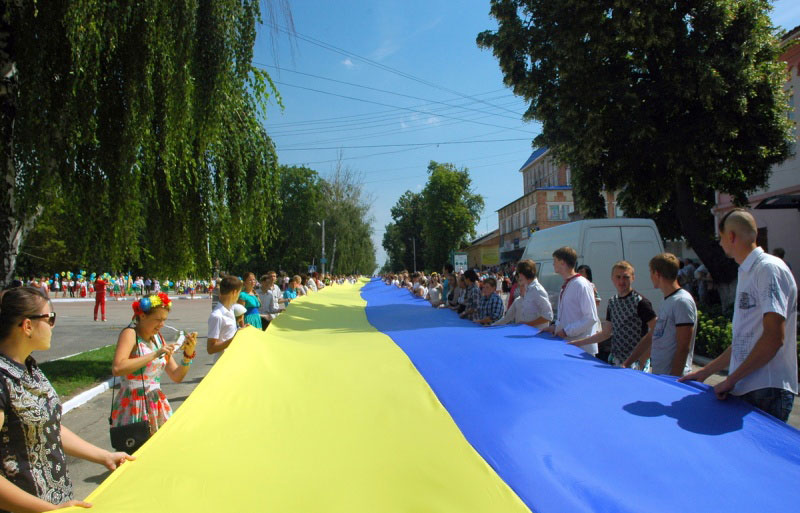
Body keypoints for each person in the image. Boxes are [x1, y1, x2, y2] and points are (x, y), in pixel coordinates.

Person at [0, 288, 135, 512]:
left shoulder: (30, 368)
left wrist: (104, 457)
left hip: (57, 503)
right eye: (50, 318)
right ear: (27, 326)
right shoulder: (2, 380)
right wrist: (46, 509)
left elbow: (48, 427)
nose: (53, 325)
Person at [680, 210, 798, 421]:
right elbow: (745, 341)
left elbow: (773, 338)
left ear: (731, 237)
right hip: (751, 388)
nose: (720, 243)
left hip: (766, 388)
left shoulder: (767, 269)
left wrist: (730, 379)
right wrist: (706, 371)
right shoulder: (748, 271)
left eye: (721, 237)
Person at [110, 292, 197, 437]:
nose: (162, 324)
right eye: (158, 319)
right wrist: (154, 354)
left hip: (156, 403)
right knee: (136, 451)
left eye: (164, 320)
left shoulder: (158, 338)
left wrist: (188, 355)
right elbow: (118, 368)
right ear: (143, 316)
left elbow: (177, 376)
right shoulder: (130, 334)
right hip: (133, 405)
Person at [572, 261, 656, 369]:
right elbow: (606, 333)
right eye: (618, 277)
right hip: (616, 362)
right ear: (612, 279)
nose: (621, 281)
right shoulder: (612, 302)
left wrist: (643, 361)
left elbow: (657, 332)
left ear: (633, 278)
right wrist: (578, 343)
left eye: (626, 277)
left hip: (636, 366)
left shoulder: (641, 302)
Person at [625, 253, 696, 376]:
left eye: (650, 272)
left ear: (657, 274)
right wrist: (627, 363)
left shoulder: (682, 301)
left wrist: (673, 381)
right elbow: (652, 336)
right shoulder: (666, 300)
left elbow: (683, 347)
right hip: (661, 375)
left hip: (673, 378)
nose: (650, 276)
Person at [540, 247, 601, 355]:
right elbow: (569, 316)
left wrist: (566, 331)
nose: (553, 264)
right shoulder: (569, 283)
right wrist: (555, 328)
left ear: (562, 262)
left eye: (555, 261)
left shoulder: (581, 284)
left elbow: (591, 318)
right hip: (570, 346)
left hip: (582, 350)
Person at [492, 259, 553, 328]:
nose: (519, 277)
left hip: (536, 335)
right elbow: (507, 318)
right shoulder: (528, 289)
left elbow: (548, 316)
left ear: (523, 274)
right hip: (527, 333)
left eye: (519, 274)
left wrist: (528, 324)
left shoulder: (537, 290)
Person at [207, 275, 242, 361]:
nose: (238, 296)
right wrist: (234, 339)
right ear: (234, 292)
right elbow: (211, 348)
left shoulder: (230, 309)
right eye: (239, 293)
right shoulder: (217, 316)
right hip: (223, 361)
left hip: (233, 358)